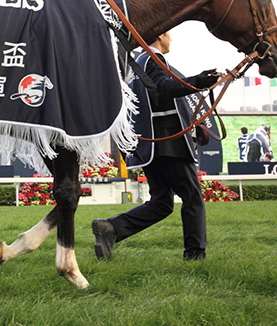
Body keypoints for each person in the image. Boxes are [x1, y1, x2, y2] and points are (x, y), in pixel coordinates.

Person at [92, 32, 219, 261]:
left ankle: (111, 228)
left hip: (151, 146)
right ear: (160, 36)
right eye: (170, 35)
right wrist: (197, 82)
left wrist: (193, 119)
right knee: (192, 196)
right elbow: (164, 89)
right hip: (169, 143)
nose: (173, 39)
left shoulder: (139, 62)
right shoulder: (154, 58)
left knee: (162, 203)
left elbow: (158, 95)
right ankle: (195, 255)